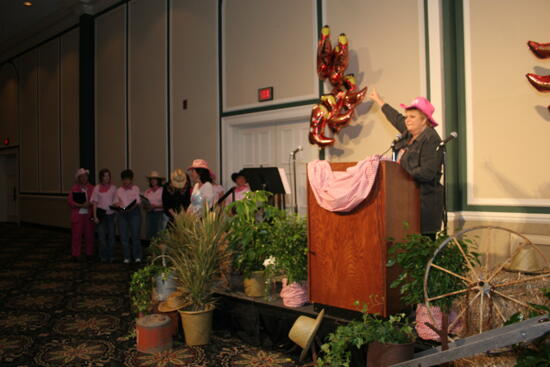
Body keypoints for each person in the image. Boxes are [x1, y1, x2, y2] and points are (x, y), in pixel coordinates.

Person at [370, 89, 444, 236]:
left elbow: (427, 173)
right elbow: (396, 118)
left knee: (422, 251)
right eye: (406, 117)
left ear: (424, 120)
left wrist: (399, 176)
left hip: (423, 206)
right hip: (405, 203)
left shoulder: (431, 139)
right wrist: (380, 101)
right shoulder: (409, 134)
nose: (407, 120)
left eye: (412, 117)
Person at [114, 169, 142, 263]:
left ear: (131, 180)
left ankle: (137, 256)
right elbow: (115, 202)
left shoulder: (135, 188)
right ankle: (126, 257)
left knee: (135, 235)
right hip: (122, 214)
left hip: (134, 212)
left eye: (128, 179)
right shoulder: (119, 190)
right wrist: (117, 204)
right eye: (124, 179)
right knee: (124, 236)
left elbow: (138, 201)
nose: (126, 181)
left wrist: (131, 207)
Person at [67, 168, 95, 261]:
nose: (84, 178)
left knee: (89, 235)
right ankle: (76, 254)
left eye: (85, 176)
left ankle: (89, 253)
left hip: (88, 214)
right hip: (78, 215)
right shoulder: (74, 188)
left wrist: (89, 203)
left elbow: (95, 200)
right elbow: (70, 201)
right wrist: (80, 205)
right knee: (76, 235)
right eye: (81, 177)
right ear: (78, 178)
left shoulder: (92, 188)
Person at [91, 168, 117, 262]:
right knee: (101, 237)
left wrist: (116, 216)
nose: (106, 178)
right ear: (101, 177)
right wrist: (95, 217)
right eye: (104, 176)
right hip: (100, 215)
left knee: (111, 237)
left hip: (111, 215)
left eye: (108, 176)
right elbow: (94, 203)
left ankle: (111, 255)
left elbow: (116, 202)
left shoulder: (114, 188)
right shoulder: (97, 188)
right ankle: (103, 256)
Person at [143, 170, 165, 242]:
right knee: (150, 234)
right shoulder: (147, 191)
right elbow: (144, 204)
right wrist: (147, 207)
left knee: (159, 234)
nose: (153, 181)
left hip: (159, 214)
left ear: (158, 180)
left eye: (154, 179)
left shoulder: (163, 190)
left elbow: (166, 204)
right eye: (151, 179)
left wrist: (155, 206)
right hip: (149, 214)